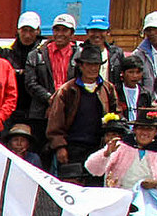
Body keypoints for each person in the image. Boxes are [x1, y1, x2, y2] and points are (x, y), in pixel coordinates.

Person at [46, 47, 116, 178]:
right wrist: (60, 146)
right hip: (72, 147)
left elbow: (116, 115)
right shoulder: (67, 90)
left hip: (99, 148)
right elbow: (55, 122)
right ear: (81, 66)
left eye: (96, 65)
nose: (93, 68)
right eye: (89, 64)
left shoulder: (108, 89)